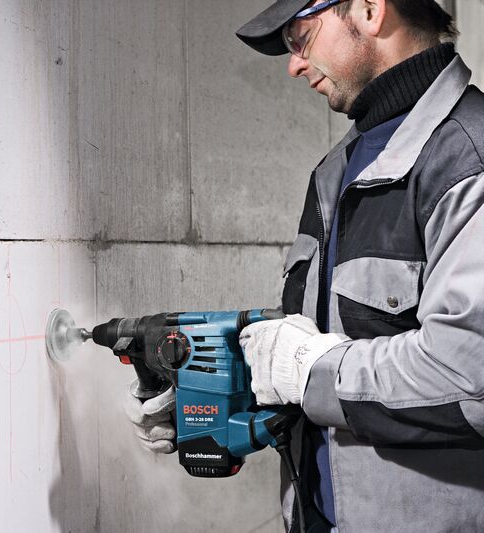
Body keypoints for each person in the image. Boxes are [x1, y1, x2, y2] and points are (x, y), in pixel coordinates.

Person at [124, 1, 484, 531]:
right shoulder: (334, 173)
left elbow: (467, 377)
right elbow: (314, 351)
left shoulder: (467, 162)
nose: (294, 64)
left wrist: (307, 367)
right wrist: (212, 393)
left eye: (302, 37)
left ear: (368, 9)